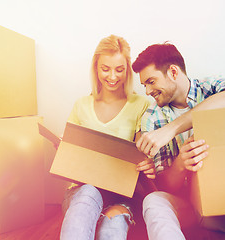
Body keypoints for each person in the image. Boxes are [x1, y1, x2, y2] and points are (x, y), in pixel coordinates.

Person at [132, 43, 225, 240]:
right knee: (154, 201)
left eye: (151, 81)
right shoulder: (151, 117)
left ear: (173, 72)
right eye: (144, 85)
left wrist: (171, 130)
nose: (147, 91)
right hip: (189, 209)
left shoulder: (212, 87)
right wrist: (181, 163)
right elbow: (165, 185)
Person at [60, 35, 155, 240]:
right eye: (106, 69)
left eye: (119, 69)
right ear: (96, 68)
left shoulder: (140, 105)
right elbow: (68, 159)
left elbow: (142, 152)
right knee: (88, 194)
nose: (113, 76)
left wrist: (147, 162)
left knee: (113, 228)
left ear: (128, 70)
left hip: (121, 194)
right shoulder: (81, 105)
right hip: (82, 190)